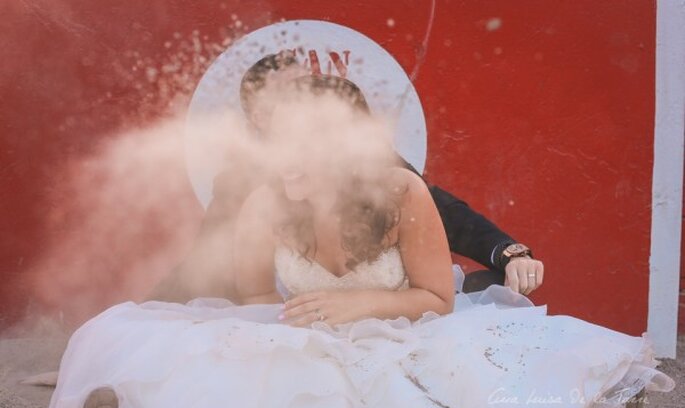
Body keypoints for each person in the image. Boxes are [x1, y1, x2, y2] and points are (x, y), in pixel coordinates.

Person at [21, 77, 674, 408]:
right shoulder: (263, 196)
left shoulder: (398, 191)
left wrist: (503, 253)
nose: (285, 163)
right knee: (244, 389)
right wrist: (280, 334)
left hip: (410, 325)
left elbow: (436, 296)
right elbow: (245, 294)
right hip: (307, 331)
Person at [148, 52, 543, 305]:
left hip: (393, 323)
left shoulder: (367, 166)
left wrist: (508, 252)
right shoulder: (240, 185)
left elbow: (444, 213)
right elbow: (205, 264)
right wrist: (154, 315)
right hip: (293, 327)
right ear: (260, 117)